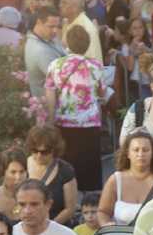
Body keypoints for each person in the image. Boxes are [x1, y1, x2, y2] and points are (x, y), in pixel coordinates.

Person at [44, 25, 113, 195]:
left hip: (64, 122)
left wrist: (51, 120)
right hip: (90, 122)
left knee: (67, 164)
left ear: (67, 42)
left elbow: (50, 96)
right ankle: (89, 202)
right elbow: (102, 93)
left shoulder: (55, 65)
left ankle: (68, 199)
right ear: (87, 44)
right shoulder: (96, 65)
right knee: (89, 165)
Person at [100, 132, 153, 228]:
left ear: (152, 153)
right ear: (128, 153)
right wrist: (107, 225)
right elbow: (103, 212)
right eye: (136, 150)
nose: (140, 154)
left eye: (145, 150)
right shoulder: (115, 180)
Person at [23, 125, 80, 227]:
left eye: (44, 152)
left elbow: (70, 209)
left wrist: (48, 226)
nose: (39, 156)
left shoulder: (65, 170)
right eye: (34, 151)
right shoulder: (22, 166)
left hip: (56, 226)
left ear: (54, 150)